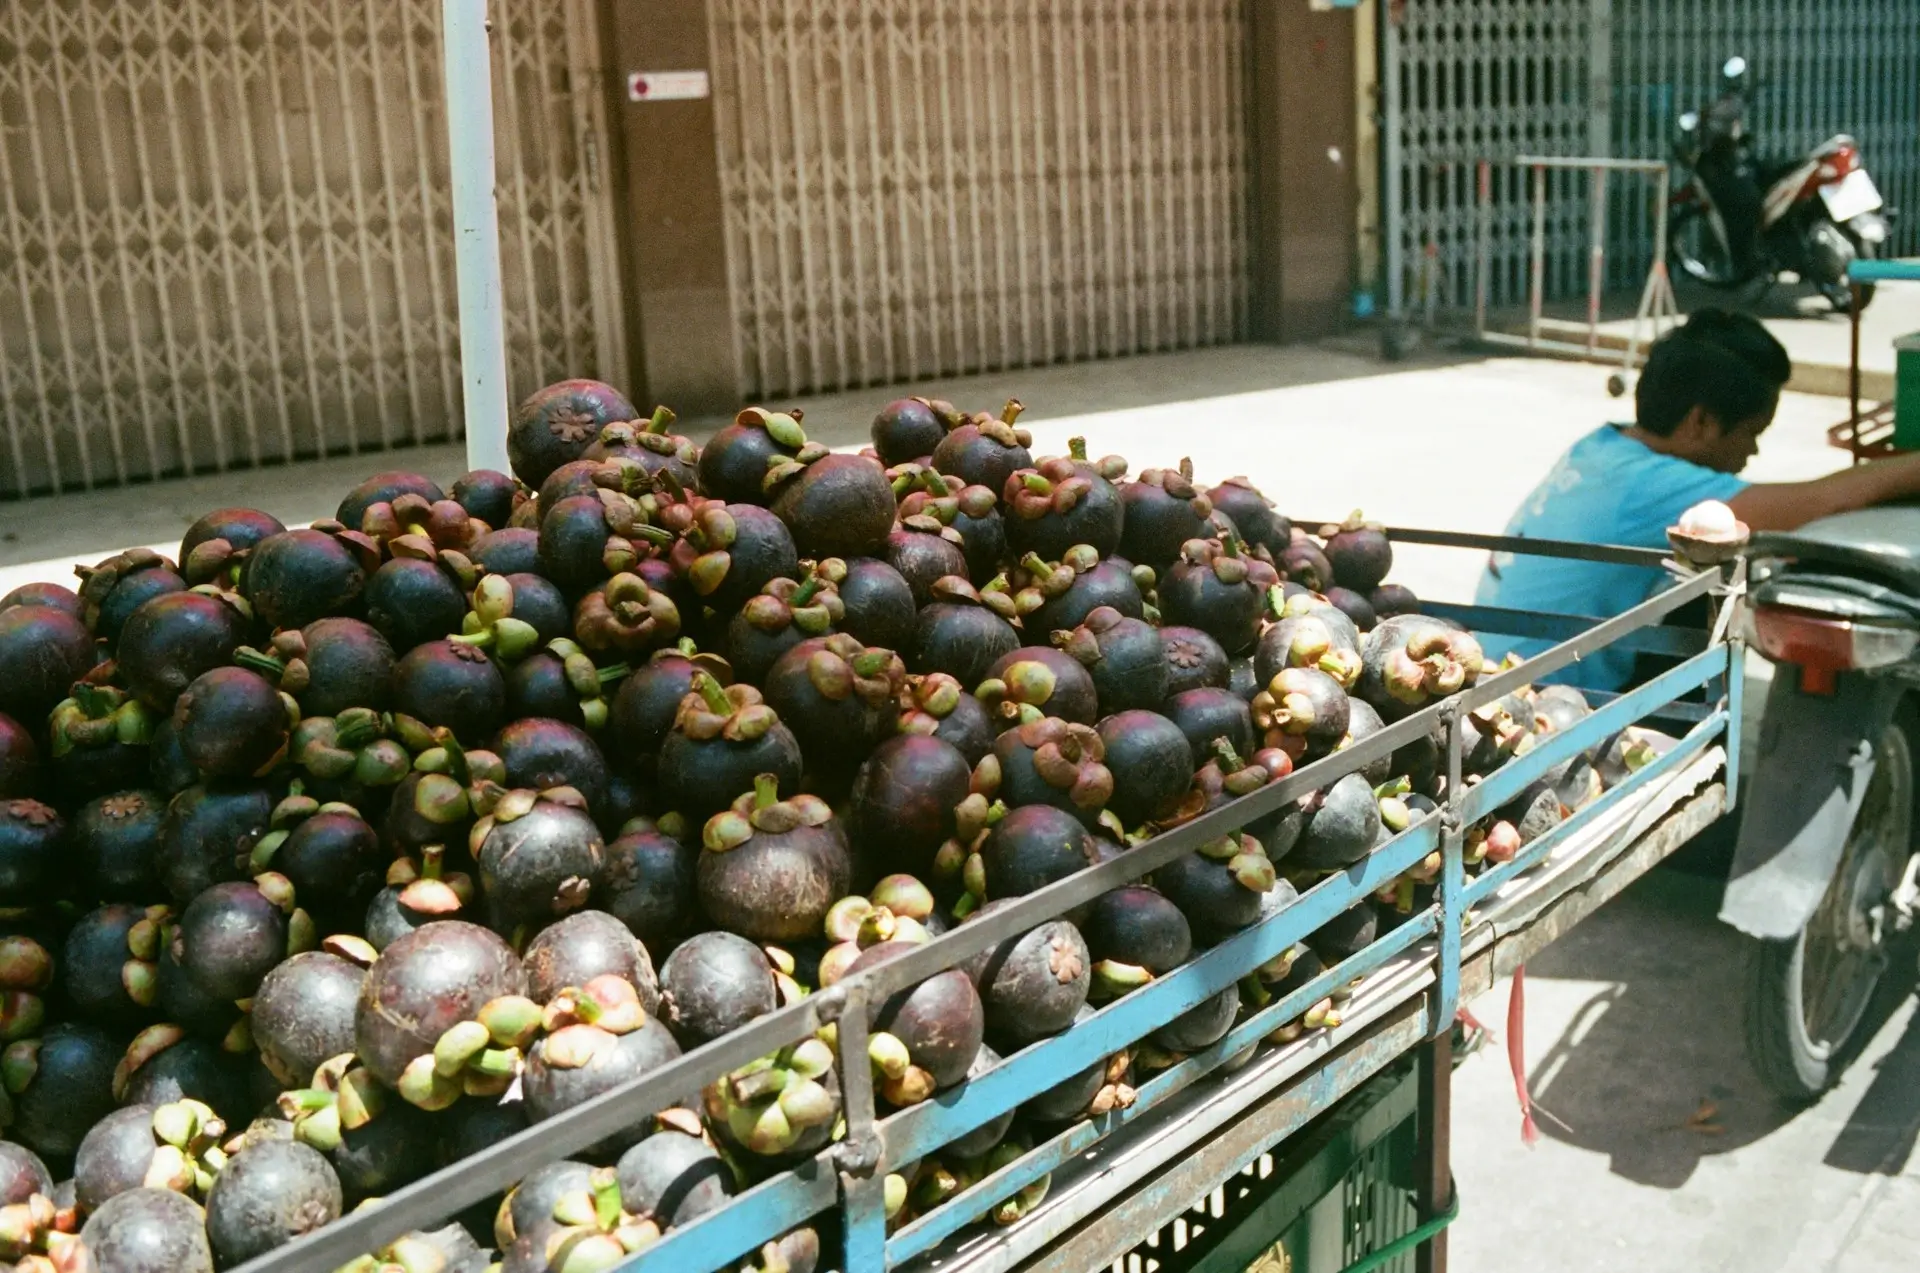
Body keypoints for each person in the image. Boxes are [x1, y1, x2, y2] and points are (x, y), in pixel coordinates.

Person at [1476, 309, 1920, 689]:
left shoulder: (1603, 447)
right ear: (1702, 423)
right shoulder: (1650, 488)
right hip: (1541, 699)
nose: (1754, 452)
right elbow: (1827, 501)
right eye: (1752, 434)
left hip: (1495, 663)